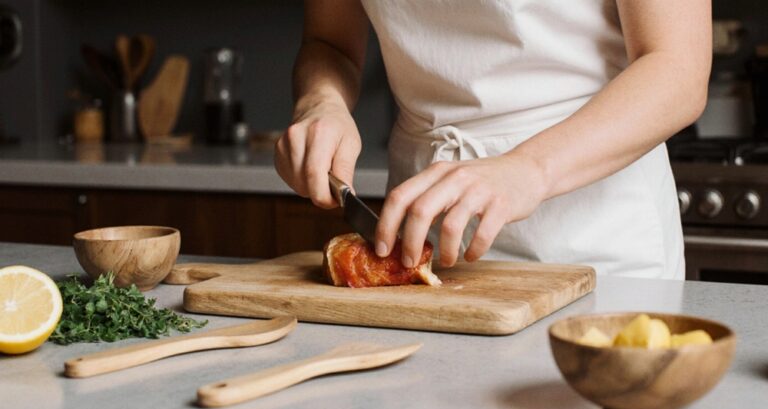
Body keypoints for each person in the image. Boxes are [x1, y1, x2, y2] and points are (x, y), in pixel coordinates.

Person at [275, 0, 711, 279]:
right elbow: (328, 42)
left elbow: (678, 66)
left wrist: (529, 168)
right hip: (423, 231)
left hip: (595, 233)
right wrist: (321, 101)